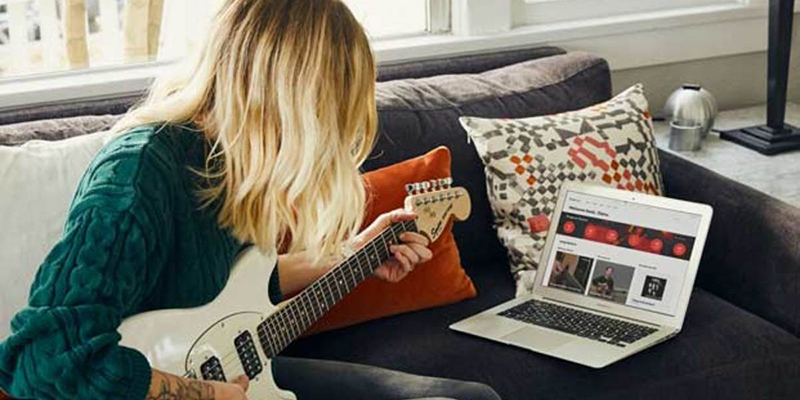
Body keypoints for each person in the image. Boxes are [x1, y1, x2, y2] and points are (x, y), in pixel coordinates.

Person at [0, 1, 502, 400]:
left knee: (469, 396)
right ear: (291, 98)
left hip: (232, 367)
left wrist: (358, 253)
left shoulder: (231, 160)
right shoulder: (137, 174)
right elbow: (48, 359)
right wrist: (204, 395)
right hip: (165, 385)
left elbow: (232, 282)